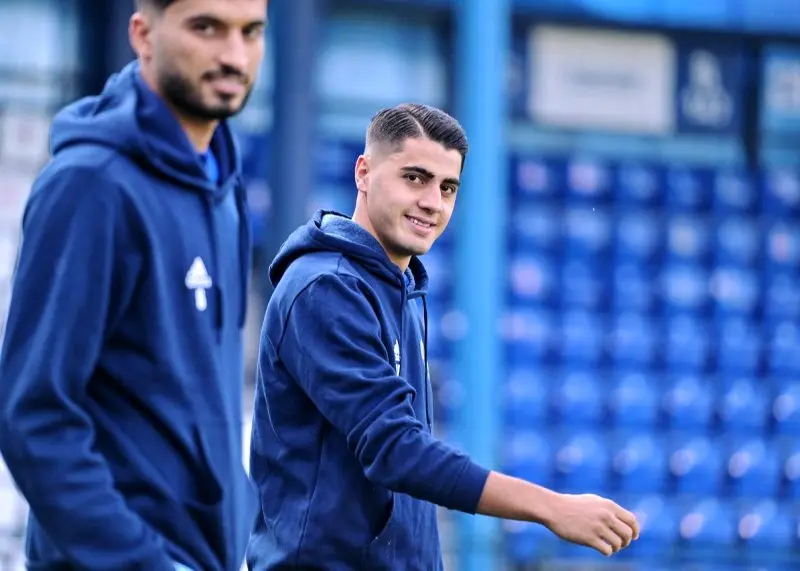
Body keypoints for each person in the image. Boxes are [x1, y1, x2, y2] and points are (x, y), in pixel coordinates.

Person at [246, 103, 641, 570]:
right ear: (363, 173)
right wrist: (550, 507)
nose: (433, 202)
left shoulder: (401, 288)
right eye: (415, 178)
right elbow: (395, 449)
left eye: (447, 187)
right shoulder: (326, 288)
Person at [0, 0, 267, 569]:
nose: (234, 55)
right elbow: (34, 416)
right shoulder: (91, 185)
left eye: (251, 32)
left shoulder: (223, 190)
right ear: (143, 35)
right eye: (206, 27)